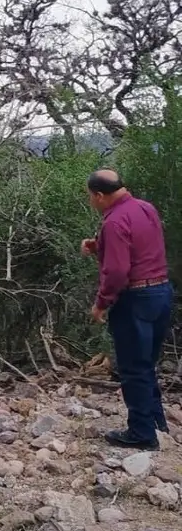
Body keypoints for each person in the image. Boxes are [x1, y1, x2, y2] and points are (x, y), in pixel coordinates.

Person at [81, 169, 172, 450]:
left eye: (90, 198)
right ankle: (156, 422)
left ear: (99, 195)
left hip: (135, 299)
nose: (91, 203)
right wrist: (98, 246)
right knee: (147, 364)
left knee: (133, 368)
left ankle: (142, 433)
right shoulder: (144, 208)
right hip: (161, 292)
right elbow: (141, 243)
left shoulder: (113, 222)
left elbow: (118, 271)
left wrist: (101, 303)